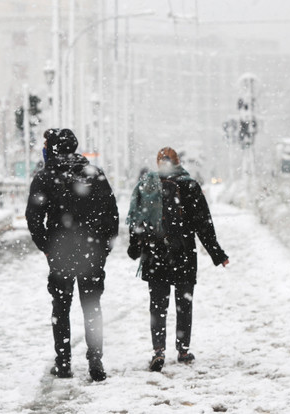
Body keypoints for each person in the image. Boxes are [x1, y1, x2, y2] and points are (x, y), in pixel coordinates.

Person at [26, 128, 119, 382]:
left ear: (53, 148)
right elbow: (111, 214)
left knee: (61, 307)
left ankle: (64, 362)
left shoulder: (45, 177)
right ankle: (96, 361)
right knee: (92, 307)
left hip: (61, 254)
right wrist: (103, 248)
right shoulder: (93, 174)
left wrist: (46, 246)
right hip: (91, 253)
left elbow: (34, 218)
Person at [127, 147, 229, 372]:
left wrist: (135, 247)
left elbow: (137, 220)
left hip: (155, 253)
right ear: (177, 162)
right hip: (183, 252)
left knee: (157, 306)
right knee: (184, 304)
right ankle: (182, 350)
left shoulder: (148, 185)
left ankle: (158, 350)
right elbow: (204, 224)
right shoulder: (189, 185)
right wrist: (217, 253)